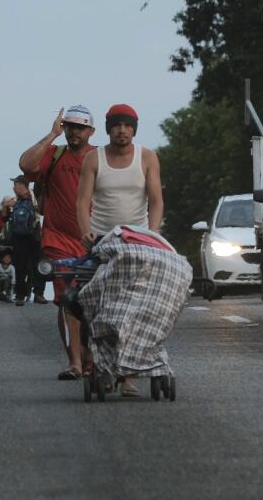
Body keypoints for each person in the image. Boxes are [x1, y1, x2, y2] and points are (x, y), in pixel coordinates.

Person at [75, 104, 164, 397]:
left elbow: (156, 201)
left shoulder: (147, 157)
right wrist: (86, 230)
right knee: (102, 307)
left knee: (135, 309)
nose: (121, 130)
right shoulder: (93, 159)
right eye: (116, 125)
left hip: (137, 241)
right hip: (103, 242)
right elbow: (82, 199)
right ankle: (103, 367)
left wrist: (151, 234)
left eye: (127, 125)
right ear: (108, 129)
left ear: (134, 129)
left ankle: (129, 375)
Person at [18, 105, 97, 380]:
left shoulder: (98, 158)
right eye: (69, 125)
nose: (74, 131)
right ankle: (75, 362)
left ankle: (91, 356)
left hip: (93, 243)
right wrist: (52, 134)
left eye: (80, 127)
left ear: (91, 131)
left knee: (93, 300)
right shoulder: (54, 155)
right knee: (67, 300)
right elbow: (26, 165)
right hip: (58, 240)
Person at [0, 177, 42, 306]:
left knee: (36, 265)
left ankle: (38, 293)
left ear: (22, 185)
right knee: (20, 266)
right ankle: (20, 295)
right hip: (18, 237)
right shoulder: (14, 200)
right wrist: (6, 206)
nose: (14, 188)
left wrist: (35, 206)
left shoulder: (35, 197)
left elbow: (42, 210)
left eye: (15, 185)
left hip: (34, 235)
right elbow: (5, 218)